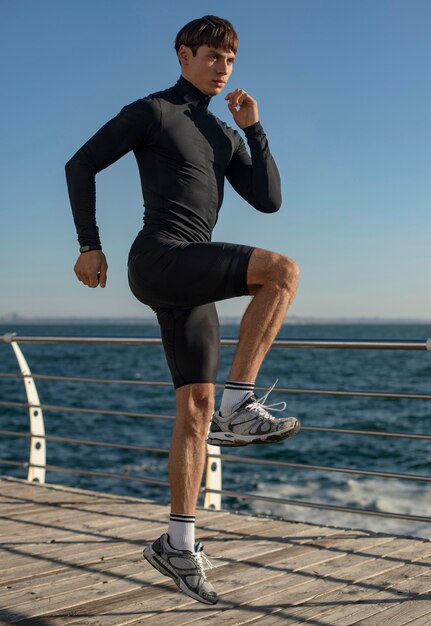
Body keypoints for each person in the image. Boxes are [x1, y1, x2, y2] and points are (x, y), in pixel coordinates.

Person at [65, 15, 300, 605]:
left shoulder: (224, 133)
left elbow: (268, 200)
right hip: (160, 257)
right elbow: (81, 164)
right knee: (282, 272)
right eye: (213, 57)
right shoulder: (153, 111)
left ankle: (178, 542)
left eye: (231, 60)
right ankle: (241, 403)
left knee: (195, 409)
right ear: (183, 54)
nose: (223, 68)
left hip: (188, 277)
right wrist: (88, 243)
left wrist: (255, 128)